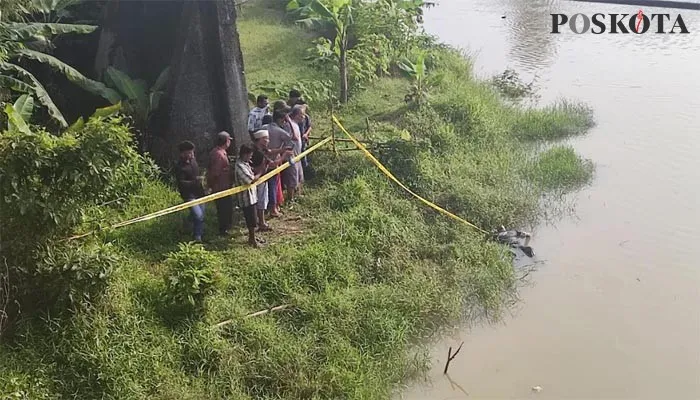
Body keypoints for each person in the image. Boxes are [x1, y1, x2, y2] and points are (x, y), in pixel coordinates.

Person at [250, 129, 293, 232]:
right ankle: (261, 223)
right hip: (259, 179)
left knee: (261, 201)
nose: (268, 141)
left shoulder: (259, 148)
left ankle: (259, 221)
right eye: (265, 139)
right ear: (259, 140)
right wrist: (284, 156)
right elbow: (273, 164)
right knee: (261, 202)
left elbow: (270, 151)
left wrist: (282, 150)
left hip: (259, 178)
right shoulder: (258, 153)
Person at [174, 140, 205, 242]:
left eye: (193, 152)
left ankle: (186, 225)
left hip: (199, 193)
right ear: (183, 153)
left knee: (199, 214)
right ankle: (197, 237)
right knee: (198, 215)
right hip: (189, 195)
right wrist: (194, 181)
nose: (192, 154)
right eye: (189, 152)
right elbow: (181, 183)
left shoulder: (193, 161)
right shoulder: (179, 167)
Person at [234, 144, 262, 247]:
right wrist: (260, 173)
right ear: (245, 154)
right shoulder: (239, 166)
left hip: (251, 195)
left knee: (253, 219)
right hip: (246, 198)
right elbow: (249, 180)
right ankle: (252, 240)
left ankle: (253, 238)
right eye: (250, 155)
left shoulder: (245, 163)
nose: (251, 157)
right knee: (251, 220)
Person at [268, 108, 297, 205]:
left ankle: (272, 204)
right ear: (281, 120)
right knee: (275, 183)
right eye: (284, 120)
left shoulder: (263, 129)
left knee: (267, 185)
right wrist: (283, 155)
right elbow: (292, 142)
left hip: (264, 160)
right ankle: (287, 200)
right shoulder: (281, 132)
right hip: (276, 159)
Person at [207, 131, 234, 236]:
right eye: (229, 140)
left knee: (227, 208)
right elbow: (215, 173)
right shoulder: (218, 154)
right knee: (223, 209)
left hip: (225, 186)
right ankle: (223, 230)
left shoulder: (220, 152)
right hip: (220, 187)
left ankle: (226, 227)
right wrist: (211, 186)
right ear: (226, 141)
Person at [287, 105, 306, 197]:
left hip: (298, 155)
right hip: (292, 156)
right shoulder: (289, 125)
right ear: (296, 115)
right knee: (292, 177)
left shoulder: (296, 125)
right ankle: (291, 198)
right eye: (301, 114)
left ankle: (298, 195)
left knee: (299, 176)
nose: (303, 116)